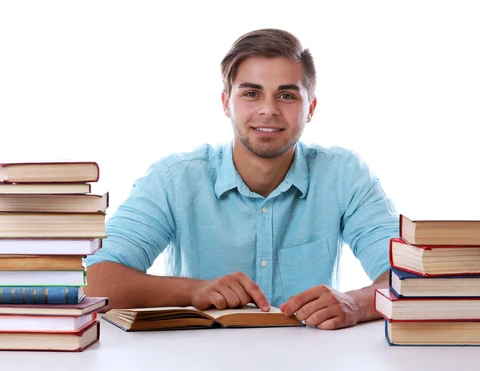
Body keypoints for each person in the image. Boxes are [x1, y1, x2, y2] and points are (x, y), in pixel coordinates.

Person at [84, 28, 399, 330]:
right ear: (226, 103)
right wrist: (193, 291)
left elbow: (408, 276)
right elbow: (95, 280)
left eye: (287, 96)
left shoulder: (345, 176)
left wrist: (355, 304)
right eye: (251, 93)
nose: (268, 110)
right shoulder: (174, 180)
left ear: (310, 108)